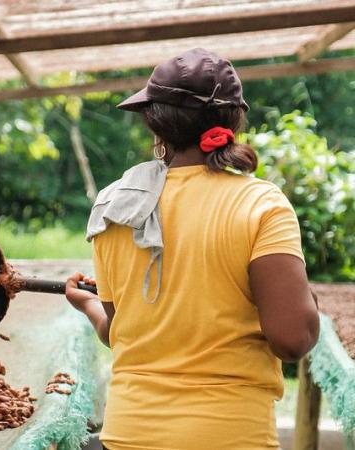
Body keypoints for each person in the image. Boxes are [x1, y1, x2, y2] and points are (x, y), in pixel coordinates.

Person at [65, 48, 320, 450]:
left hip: (130, 433)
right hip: (230, 435)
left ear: (155, 125)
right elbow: (292, 339)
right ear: (235, 120)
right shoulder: (261, 205)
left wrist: (89, 305)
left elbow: (122, 333)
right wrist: (305, 303)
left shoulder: (114, 206)